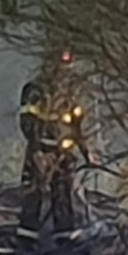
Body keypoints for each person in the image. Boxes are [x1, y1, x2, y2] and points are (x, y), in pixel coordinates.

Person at [16, 67, 88, 243]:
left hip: (63, 154)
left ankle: (65, 237)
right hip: (39, 151)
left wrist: (86, 152)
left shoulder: (70, 96)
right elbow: (27, 122)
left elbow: (77, 127)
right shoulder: (34, 91)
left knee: (63, 193)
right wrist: (37, 151)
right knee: (33, 192)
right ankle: (27, 239)